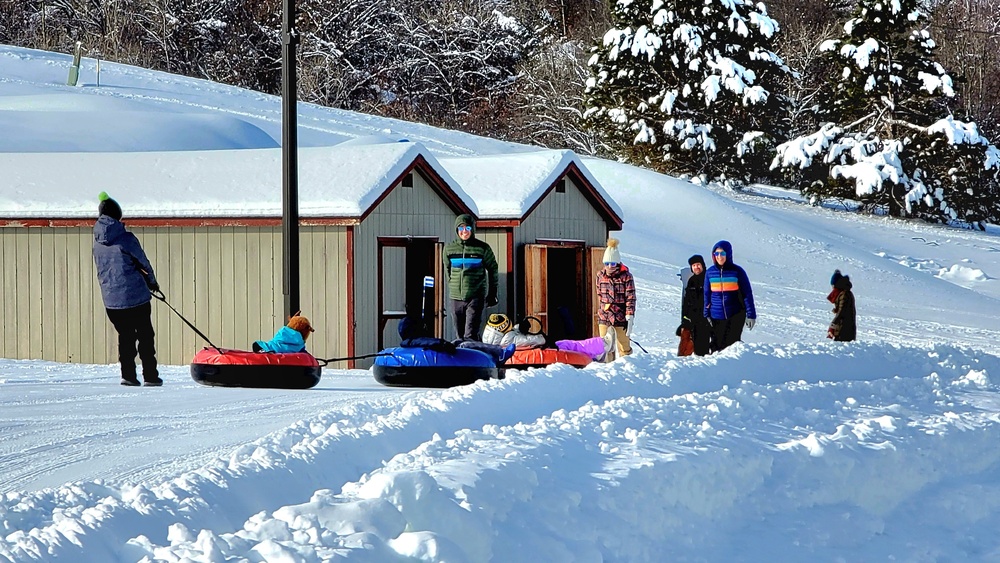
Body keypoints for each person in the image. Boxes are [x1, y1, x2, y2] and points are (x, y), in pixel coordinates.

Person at [92, 192, 162, 386]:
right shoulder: (126, 239)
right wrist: (153, 283)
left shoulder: (97, 242)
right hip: (136, 297)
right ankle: (150, 376)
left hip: (111, 302)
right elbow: (143, 263)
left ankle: (128, 376)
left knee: (126, 337)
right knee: (145, 336)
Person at [443, 214, 499, 341]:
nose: (464, 231)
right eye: (461, 228)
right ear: (457, 230)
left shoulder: (482, 248)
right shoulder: (449, 249)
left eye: (467, 228)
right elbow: (447, 269)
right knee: (459, 335)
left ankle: (474, 358)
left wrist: (492, 293)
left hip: (475, 296)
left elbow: (493, 269)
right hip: (456, 297)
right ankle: (462, 357)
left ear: (472, 230)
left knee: (470, 333)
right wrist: (451, 285)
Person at [703, 240, 756, 352]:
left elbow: (747, 294)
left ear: (728, 254)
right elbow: (707, 294)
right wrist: (706, 314)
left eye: (722, 253)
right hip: (716, 316)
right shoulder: (710, 273)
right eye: (716, 254)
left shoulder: (737, 271)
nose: (719, 257)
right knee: (716, 347)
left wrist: (751, 315)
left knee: (732, 347)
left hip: (735, 315)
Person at [596, 238, 636, 361]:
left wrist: (629, 315)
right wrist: (602, 309)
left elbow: (631, 297)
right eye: (607, 263)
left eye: (613, 264)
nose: (610, 267)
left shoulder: (626, 277)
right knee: (604, 345)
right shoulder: (600, 276)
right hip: (605, 316)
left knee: (624, 345)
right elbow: (599, 295)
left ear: (618, 263)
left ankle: (626, 367)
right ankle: (607, 368)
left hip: (621, 316)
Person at [679, 254, 712, 356]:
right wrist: (685, 318)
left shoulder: (709, 279)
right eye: (693, 266)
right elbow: (687, 301)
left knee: (705, 348)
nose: (696, 267)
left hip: (707, 319)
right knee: (694, 348)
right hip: (694, 320)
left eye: (698, 265)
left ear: (702, 265)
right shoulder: (691, 281)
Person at [827, 269, 857, 341]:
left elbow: (841, 312)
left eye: (833, 285)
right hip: (844, 329)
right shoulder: (844, 293)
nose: (832, 287)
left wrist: (832, 327)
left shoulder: (844, 294)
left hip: (845, 331)